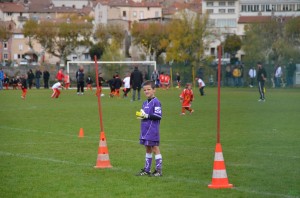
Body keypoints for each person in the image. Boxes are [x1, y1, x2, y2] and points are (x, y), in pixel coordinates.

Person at [135, 80, 163, 177]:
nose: (146, 91)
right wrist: (141, 116)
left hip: (152, 130)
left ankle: (158, 170)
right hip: (144, 129)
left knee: (155, 148)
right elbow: (144, 115)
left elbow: (158, 116)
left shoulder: (156, 102)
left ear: (154, 90)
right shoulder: (144, 102)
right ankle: (147, 169)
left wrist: (146, 116)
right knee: (147, 148)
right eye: (144, 90)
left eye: (149, 89)